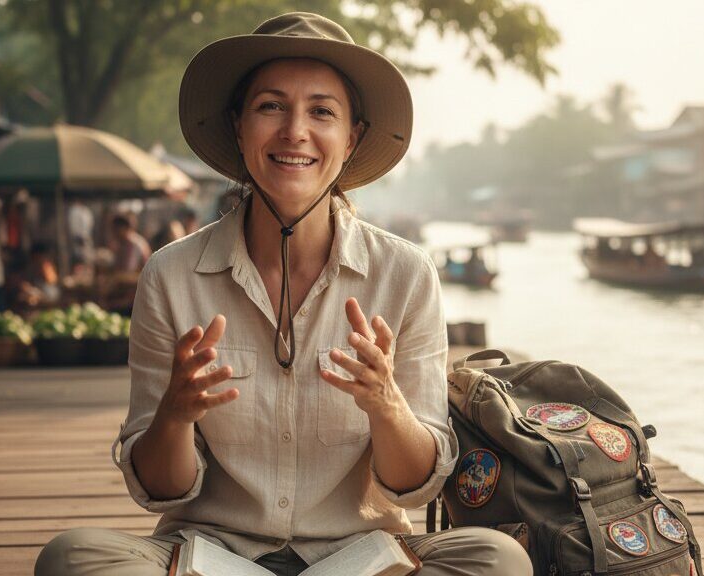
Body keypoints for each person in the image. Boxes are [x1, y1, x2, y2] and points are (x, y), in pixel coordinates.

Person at [36, 12, 531, 576]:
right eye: (271, 106)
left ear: (352, 139)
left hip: (359, 556)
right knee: (70, 558)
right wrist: (173, 415)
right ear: (238, 127)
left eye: (322, 111)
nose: (295, 131)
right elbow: (159, 489)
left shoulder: (406, 274)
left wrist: (385, 402)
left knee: (499, 560)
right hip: (210, 555)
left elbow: (414, 488)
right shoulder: (171, 275)